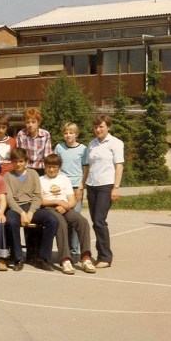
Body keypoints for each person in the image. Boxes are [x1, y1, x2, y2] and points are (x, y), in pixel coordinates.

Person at [39, 154, 96, 275]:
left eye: (54, 167)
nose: (51, 169)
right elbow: (40, 201)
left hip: (66, 207)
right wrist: (57, 202)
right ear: (45, 167)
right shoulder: (40, 180)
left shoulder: (64, 179)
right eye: (48, 167)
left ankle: (85, 257)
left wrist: (66, 206)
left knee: (82, 221)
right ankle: (65, 259)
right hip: (49, 208)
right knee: (60, 223)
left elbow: (72, 200)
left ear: (59, 167)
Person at [4, 147, 58, 271]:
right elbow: (10, 199)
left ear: (26, 162)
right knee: (11, 222)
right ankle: (18, 257)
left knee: (52, 220)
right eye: (15, 161)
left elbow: (37, 196)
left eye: (21, 161)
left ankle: (43, 258)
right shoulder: (7, 176)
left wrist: (31, 212)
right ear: (12, 162)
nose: (18, 164)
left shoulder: (33, 173)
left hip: (31, 206)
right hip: (16, 208)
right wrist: (22, 213)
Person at [82, 115, 124, 269]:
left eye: (101, 126)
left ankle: (105, 257)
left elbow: (119, 166)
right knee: (96, 221)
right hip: (92, 185)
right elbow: (88, 167)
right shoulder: (91, 144)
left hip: (106, 186)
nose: (98, 129)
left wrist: (116, 188)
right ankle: (100, 253)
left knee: (100, 220)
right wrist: (82, 185)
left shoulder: (116, 143)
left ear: (108, 127)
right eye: (96, 127)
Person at [54, 122, 88, 260]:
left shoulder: (83, 149)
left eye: (71, 132)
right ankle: (65, 251)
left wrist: (81, 187)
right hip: (62, 187)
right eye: (66, 133)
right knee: (63, 219)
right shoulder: (59, 147)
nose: (68, 135)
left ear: (76, 134)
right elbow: (55, 166)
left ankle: (74, 251)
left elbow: (85, 169)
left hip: (75, 188)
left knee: (75, 219)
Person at [15, 107, 52, 176]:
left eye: (33, 122)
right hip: (26, 168)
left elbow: (47, 155)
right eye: (27, 122)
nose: (30, 125)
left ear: (38, 122)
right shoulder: (21, 134)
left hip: (41, 168)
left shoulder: (45, 134)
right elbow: (19, 155)